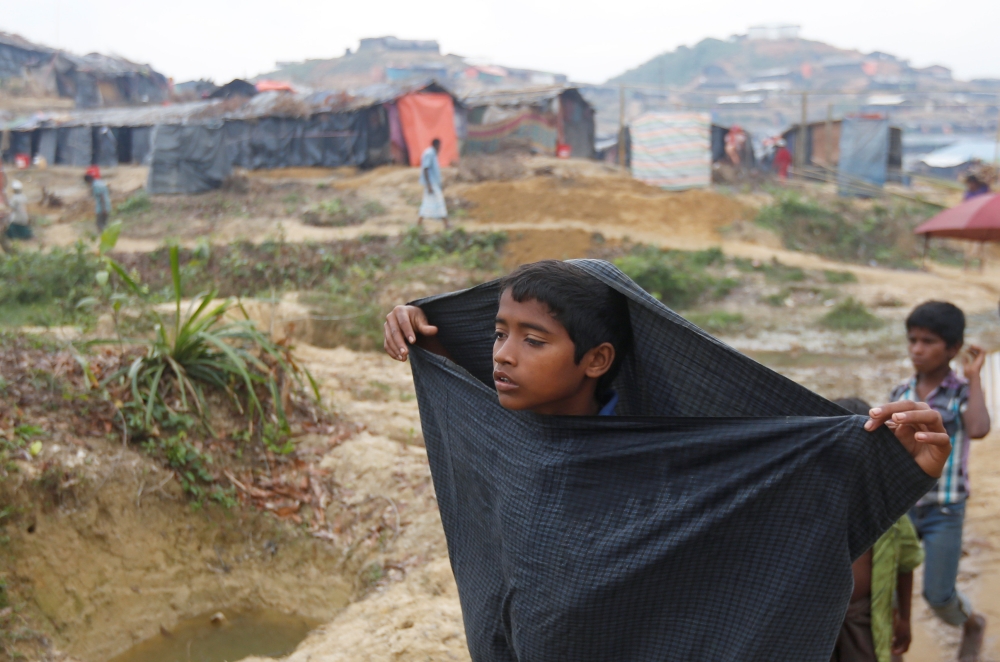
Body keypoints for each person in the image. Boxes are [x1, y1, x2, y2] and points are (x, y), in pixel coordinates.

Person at [383, 259, 951, 660]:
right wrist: (416, 328)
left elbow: (780, 524)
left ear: (596, 359)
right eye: (498, 333)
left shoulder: (666, 465)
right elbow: (451, 388)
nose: (504, 355)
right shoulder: (500, 433)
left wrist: (895, 470)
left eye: (534, 340)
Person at [889, 301, 991, 662]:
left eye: (928, 341)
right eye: (912, 340)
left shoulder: (961, 391)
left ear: (952, 348)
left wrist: (975, 376)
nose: (917, 349)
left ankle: (972, 623)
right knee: (886, 587)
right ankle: (893, 649)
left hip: (944, 508)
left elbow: (978, 428)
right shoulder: (900, 393)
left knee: (938, 594)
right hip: (901, 508)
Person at [832, 398, 924, 662]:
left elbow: (906, 566)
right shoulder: (808, 511)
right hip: (815, 622)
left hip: (866, 619)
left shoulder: (891, 516)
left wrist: (904, 618)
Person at [418, 138, 448, 229]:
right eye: (439, 146)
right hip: (431, 183)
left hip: (433, 183)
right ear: (436, 145)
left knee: (426, 203)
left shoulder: (433, 154)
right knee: (440, 201)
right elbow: (425, 169)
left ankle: (419, 224)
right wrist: (429, 185)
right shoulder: (429, 154)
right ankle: (446, 224)